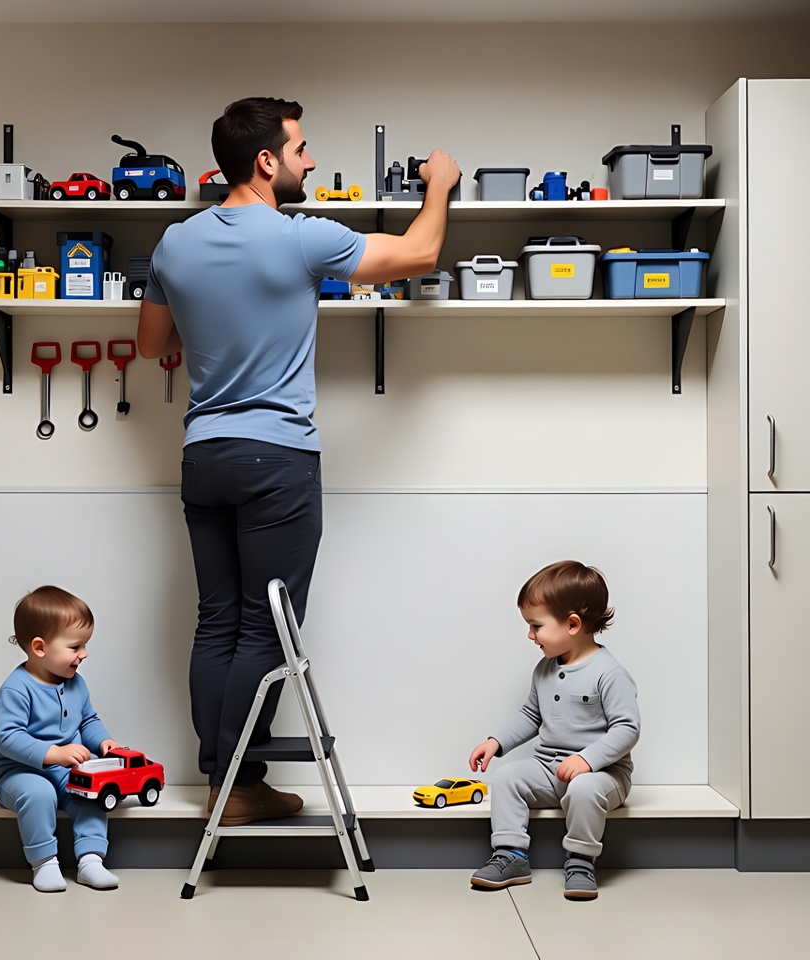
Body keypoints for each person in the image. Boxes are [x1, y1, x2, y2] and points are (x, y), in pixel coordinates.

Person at [138, 96, 461, 825]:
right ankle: (235, 788)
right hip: (277, 458)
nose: (309, 161)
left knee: (216, 620)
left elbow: (153, 346)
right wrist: (439, 182)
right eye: (302, 148)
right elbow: (418, 255)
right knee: (263, 628)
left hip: (204, 455)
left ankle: (227, 780)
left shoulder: (173, 244)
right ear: (265, 161)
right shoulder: (299, 237)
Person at [468, 561, 639, 901]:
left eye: (536, 626)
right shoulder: (544, 669)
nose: (531, 636)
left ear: (572, 624)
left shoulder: (609, 673)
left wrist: (588, 761)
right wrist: (496, 741)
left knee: (584, 789)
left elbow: (627, 729)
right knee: (507, 777)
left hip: (604, 775)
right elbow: (531, 715)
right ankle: (511, 856)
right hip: (550, 770)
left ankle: (580, 862)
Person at [0, 586, 121, 892]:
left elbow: (88, 719)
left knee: (91, 794)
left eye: (85, 645)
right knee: (38, 793)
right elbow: (9, 738)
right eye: (75, 647)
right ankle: (44, 863)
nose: (83, 654)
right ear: (39, 647)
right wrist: (54, 753)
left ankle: (90, 860)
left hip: (64, 772)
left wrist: (103, 742)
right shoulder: (16, 689)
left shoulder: (76, 684)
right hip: (18, 772)